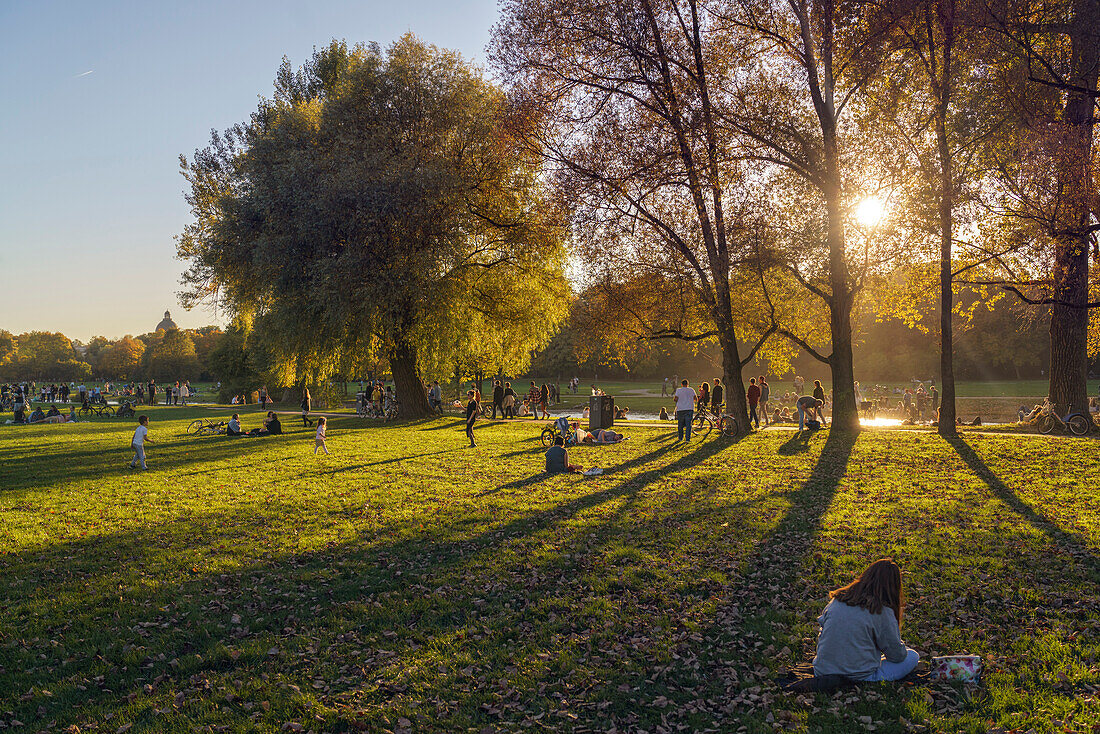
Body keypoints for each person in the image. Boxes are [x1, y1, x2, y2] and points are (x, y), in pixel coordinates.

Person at [813, 558, 919, 682]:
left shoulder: (836, 601)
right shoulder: (882, 611)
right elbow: (897, 655)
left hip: (822, 670)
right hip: (859, 676)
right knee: (912, 656)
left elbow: (823, 633)